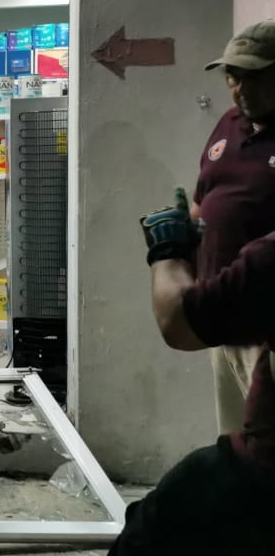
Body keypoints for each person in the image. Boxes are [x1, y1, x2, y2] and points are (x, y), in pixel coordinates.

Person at [113, 194, 275, 554]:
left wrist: (166, 252)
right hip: (230, 344)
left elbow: (178, 322)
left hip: (265, 478)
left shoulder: (268, 260)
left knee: (156, 522)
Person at [191, 19, 275, 432]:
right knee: (234, 446)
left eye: (254, 77)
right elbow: (202, 199)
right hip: (222, 321)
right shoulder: (228, 124)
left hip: (266, 331)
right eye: (232, 76)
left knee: (266, 452)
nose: (240, 88)